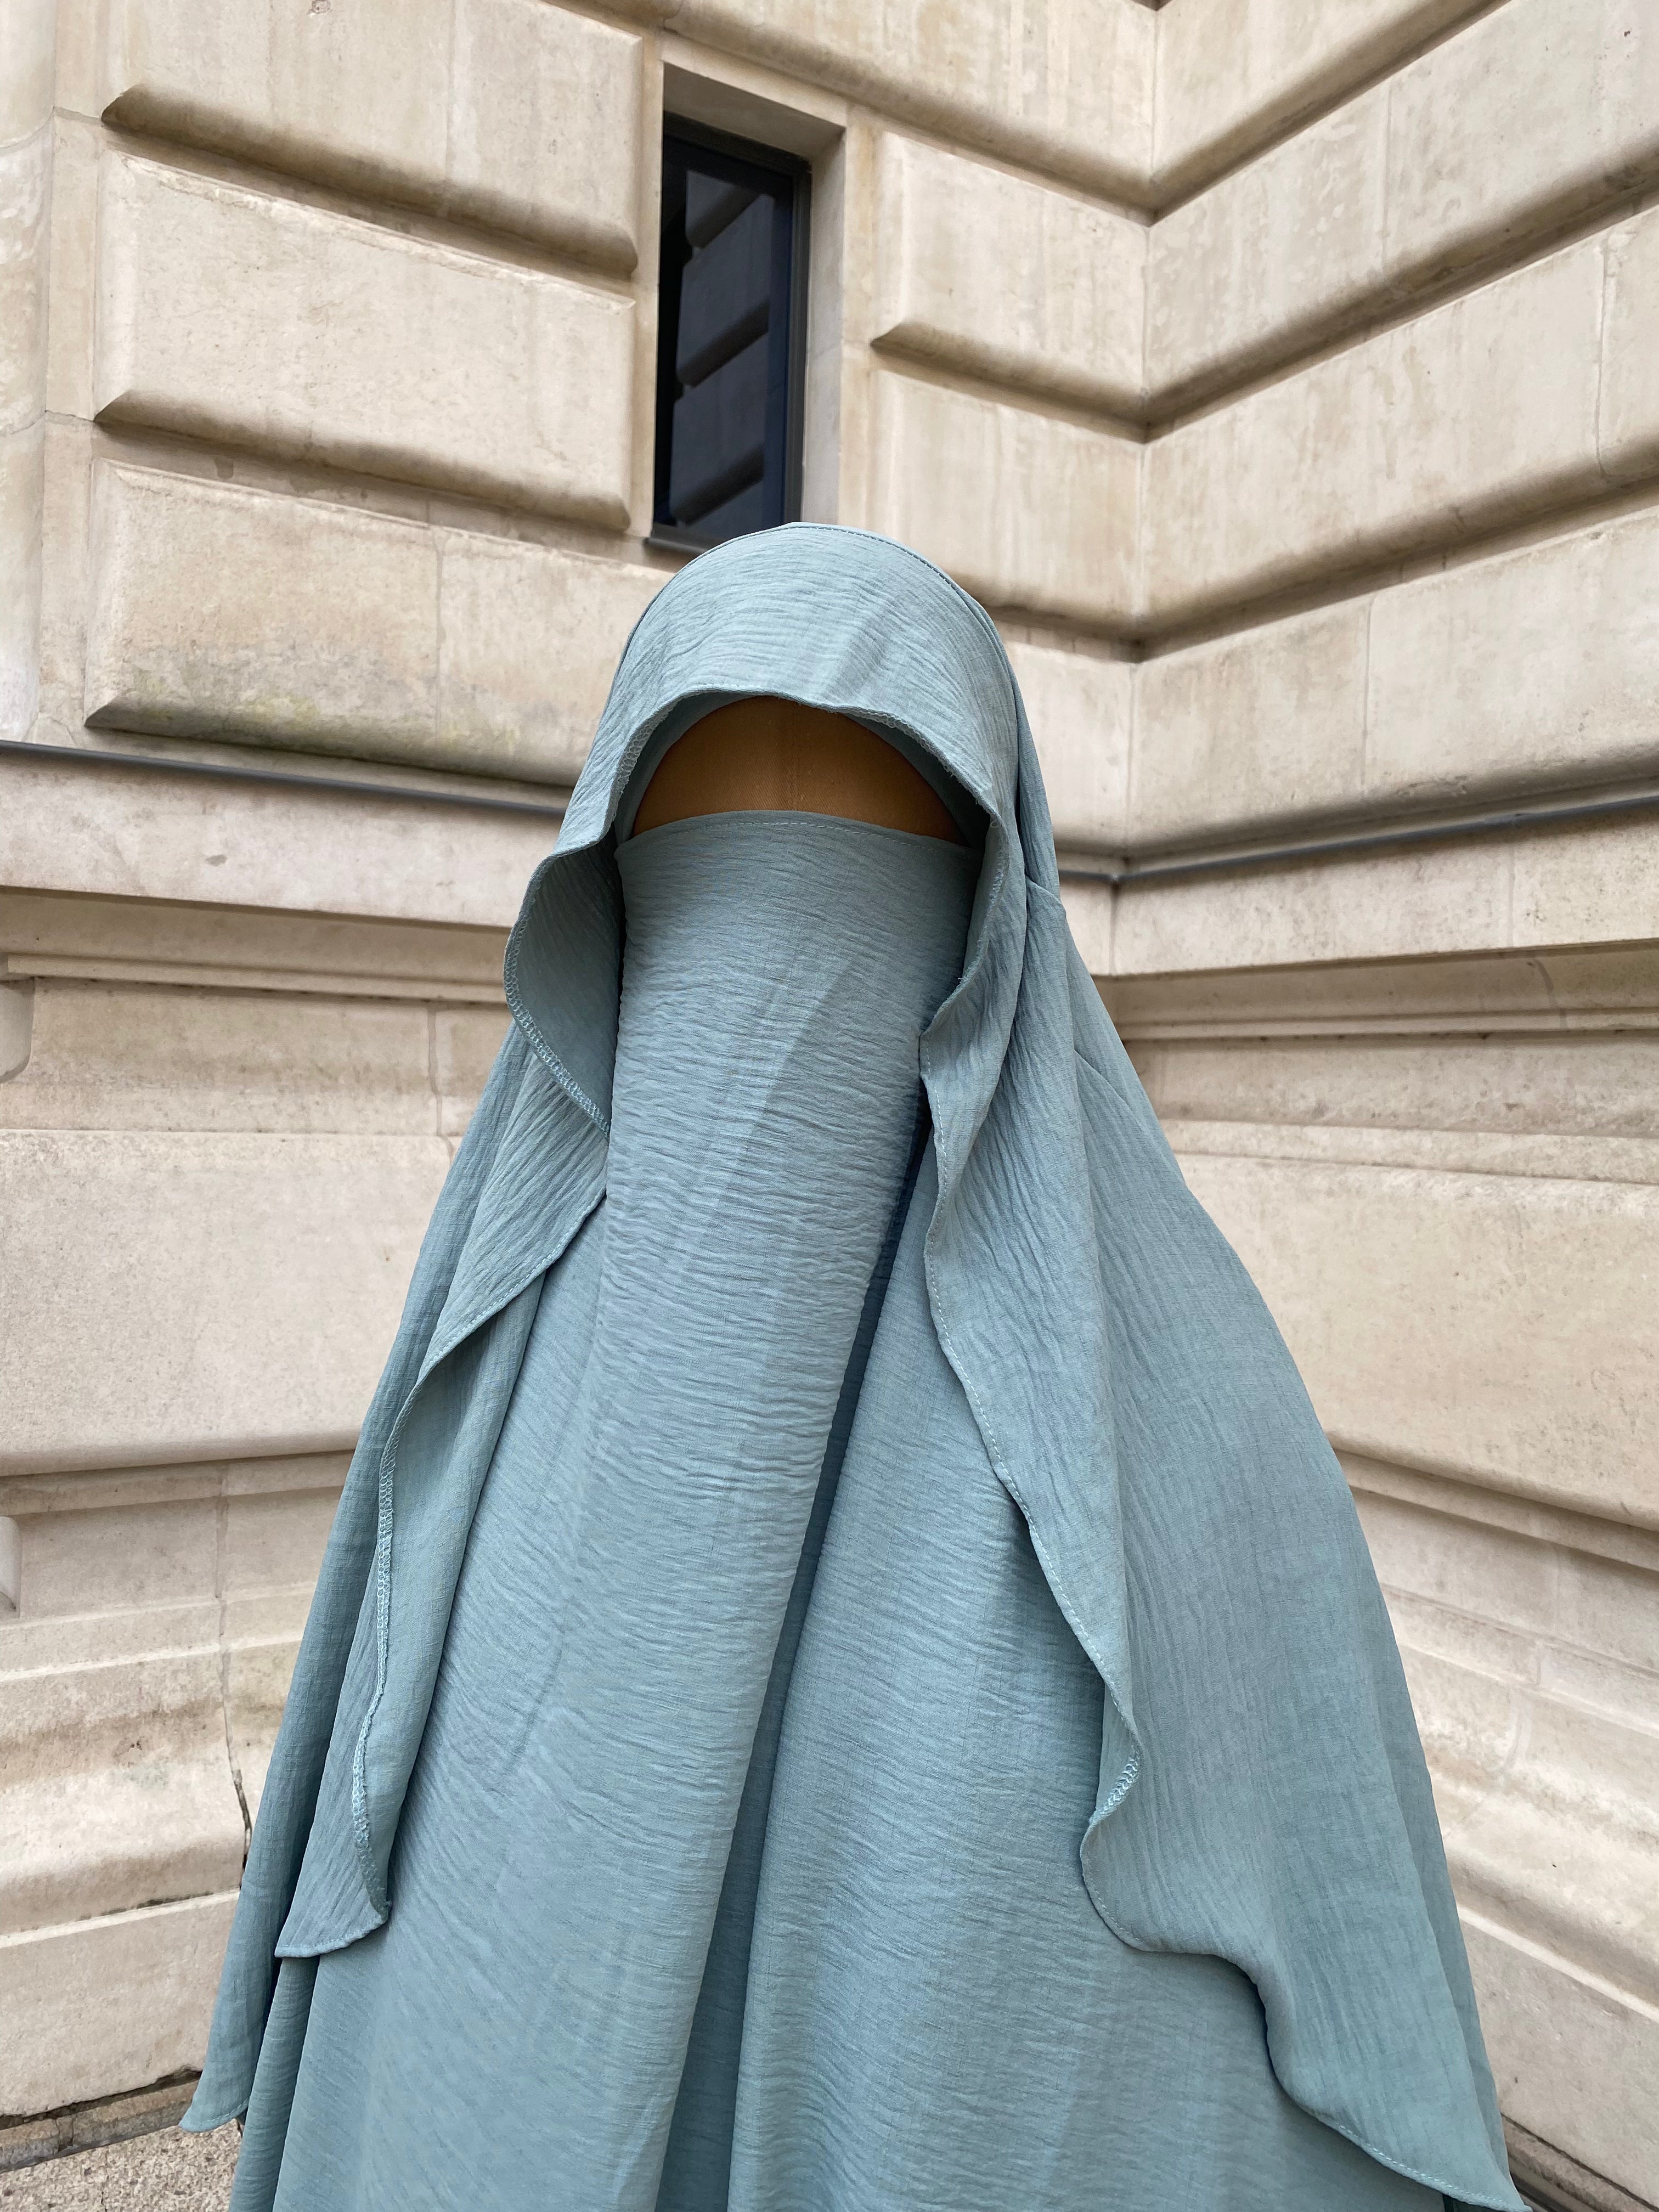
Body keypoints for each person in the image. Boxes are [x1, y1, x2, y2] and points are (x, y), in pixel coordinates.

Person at [184, 524, 1524, 2211]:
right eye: (701, 885)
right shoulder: (484, 1413)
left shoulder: (1190, 1460)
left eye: (863, 879)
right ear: (611, 914)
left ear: (982, 928)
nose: (766, 998)